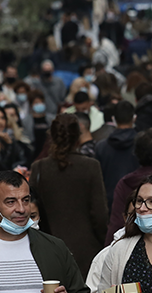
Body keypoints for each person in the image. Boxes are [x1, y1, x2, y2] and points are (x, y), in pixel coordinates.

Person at [29, 114, 108, 275]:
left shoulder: (39, 168)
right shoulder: (91, 166)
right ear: (78, 136)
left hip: (49, 249)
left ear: (52, 136)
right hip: (87, 250)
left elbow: (32, 210)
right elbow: (99, 214)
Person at [95, 100, 138, 207]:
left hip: (110, 202)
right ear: (134, 118)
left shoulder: (101, 147)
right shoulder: (143, 145)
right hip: (138, 202)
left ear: (114, 119)